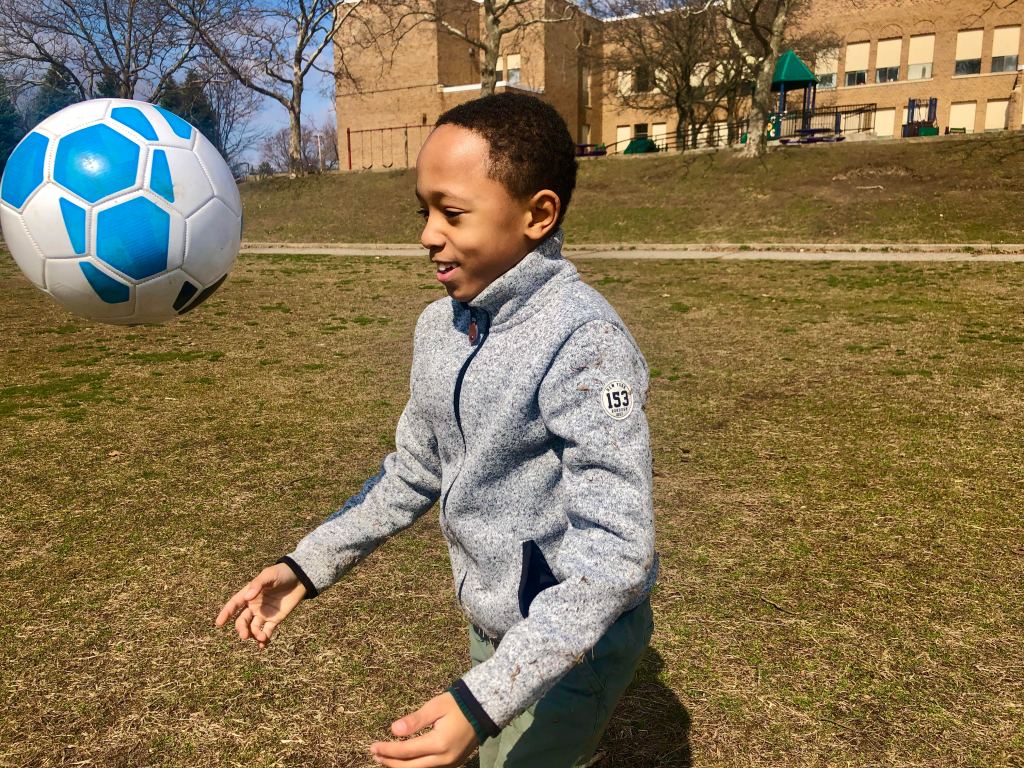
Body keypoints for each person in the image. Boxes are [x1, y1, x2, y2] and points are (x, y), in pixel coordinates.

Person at [215, 93, 659, 768]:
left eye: (451, 213)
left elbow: (617, 554)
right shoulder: (439, 328)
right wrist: (306, 566)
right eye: (422, 211)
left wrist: (482, 701)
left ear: (538, 214)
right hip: (498, 622)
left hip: (578, 643)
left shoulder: (585, 344)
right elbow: (413, 471)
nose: (427, 234)